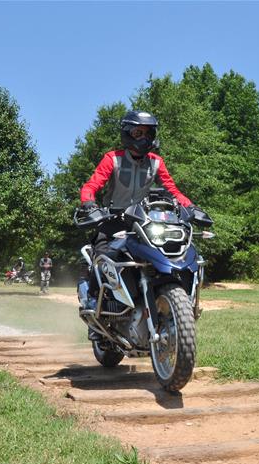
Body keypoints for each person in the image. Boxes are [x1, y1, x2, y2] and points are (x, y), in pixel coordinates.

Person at [77, 110, 198, 340]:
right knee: (104, 255)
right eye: (138, 132)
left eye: (148, 133)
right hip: (112, 220)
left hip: (143, 220)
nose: (143, 137)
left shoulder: (156, 162)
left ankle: (161, 303)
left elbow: (173, 190)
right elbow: (90, 186)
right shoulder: (112, 158)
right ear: (127, 133)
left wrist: (191, 207)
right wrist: (89, 205)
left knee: (164, 253)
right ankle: (94, 305)